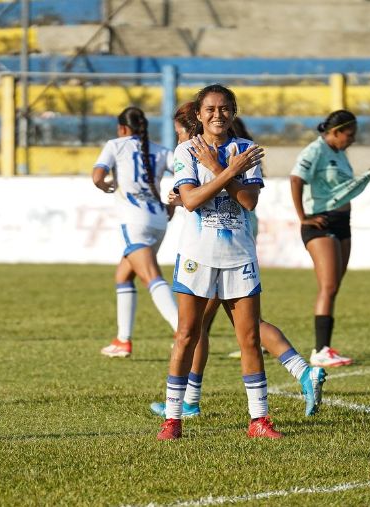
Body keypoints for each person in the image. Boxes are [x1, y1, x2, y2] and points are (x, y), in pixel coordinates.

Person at [150, 105, 325, 420]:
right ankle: (193, 398)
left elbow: (229, 195)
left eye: (179, 131)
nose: (179, 137)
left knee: (215, 327)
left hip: (227, 239)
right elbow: (192, 195)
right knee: (222, 325)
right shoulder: (204, 152)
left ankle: (190, 401)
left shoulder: (206, 150)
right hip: (229, 232)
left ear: (194, 126)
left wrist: (210, 178)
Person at [158, 84, 278, 440]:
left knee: (250, 338)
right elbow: (190, 200)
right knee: (186, 335)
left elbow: (249, 202)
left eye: (224, 108)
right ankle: (173, 418)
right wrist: (224, 170)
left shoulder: (246, 150)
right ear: (198, 114)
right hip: (198, 256)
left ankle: (259, 419)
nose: (217, 115)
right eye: (209, 109)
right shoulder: (187, 150)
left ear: (234, 112)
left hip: (239, 256)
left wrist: (223, 169)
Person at [92, 107, 177, 358]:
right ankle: (122, 340)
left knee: (150, 276)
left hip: (134, 221)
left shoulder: (116, 145)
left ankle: (183, 329)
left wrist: (105, 185)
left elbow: (97, 175)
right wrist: (172, 204)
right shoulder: (161, 150)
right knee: (123, 275)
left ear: (122, 128)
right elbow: (185, 175)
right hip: (159, 219)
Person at [290, 110, 370, 368]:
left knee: (334, 285)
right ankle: (320, 350)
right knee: (328, 286)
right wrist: (303, 217)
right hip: (320, 222)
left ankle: (325, 346)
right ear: (335, 132)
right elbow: (295, 179)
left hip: (341, 223)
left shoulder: (339, 153)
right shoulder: (315, 151)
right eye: (349, 135)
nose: (352, 140)